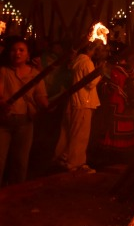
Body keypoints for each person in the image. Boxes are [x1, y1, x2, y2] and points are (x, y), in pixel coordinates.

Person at [0, 37, 48, 185]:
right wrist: (2, 103)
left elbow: (40, 96)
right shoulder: (4, 71)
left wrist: (47, 105)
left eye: (21, 50)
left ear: (28, 54)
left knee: (20, 162)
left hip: (25, 122)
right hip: (4, 121)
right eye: (14, 50)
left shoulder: (35, 74)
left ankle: (16, 194)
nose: (17, 53)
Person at [54, 41, 103, 173]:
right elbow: (91, 83)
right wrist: (100, 72)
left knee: (68, 132)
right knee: (80, 134)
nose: (98, 52)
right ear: (90, 49)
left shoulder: (76, 61)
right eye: (97, 49)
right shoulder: (87, 62)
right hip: (83, 102)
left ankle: (63, 158)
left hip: (73, 101)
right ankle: (75, 164)